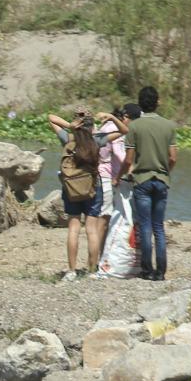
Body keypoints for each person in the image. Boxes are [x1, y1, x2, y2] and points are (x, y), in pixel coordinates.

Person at [48, 109, 122, 280]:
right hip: (92, 188)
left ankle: (72, 271)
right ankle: (92, 271)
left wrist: (69, 126)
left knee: (73, 229)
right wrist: (111, 118)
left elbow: (51, 118)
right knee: (91, 230)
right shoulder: (97, 140)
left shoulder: (68, 138)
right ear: (92, 126)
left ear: (77, 124)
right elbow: (124, 131)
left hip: (71, 188)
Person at [122, 86, 178, 282]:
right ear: (158, 102)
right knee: (158, 227)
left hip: (142, 180)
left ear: (140, 104)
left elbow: (128, 160)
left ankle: (147, 270)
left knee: (145, 226)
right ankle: (161, 272)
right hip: (162, 181)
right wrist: (165, 172)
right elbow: (173, 158)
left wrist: (119, 176)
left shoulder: (134, 127)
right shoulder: (169, 126)